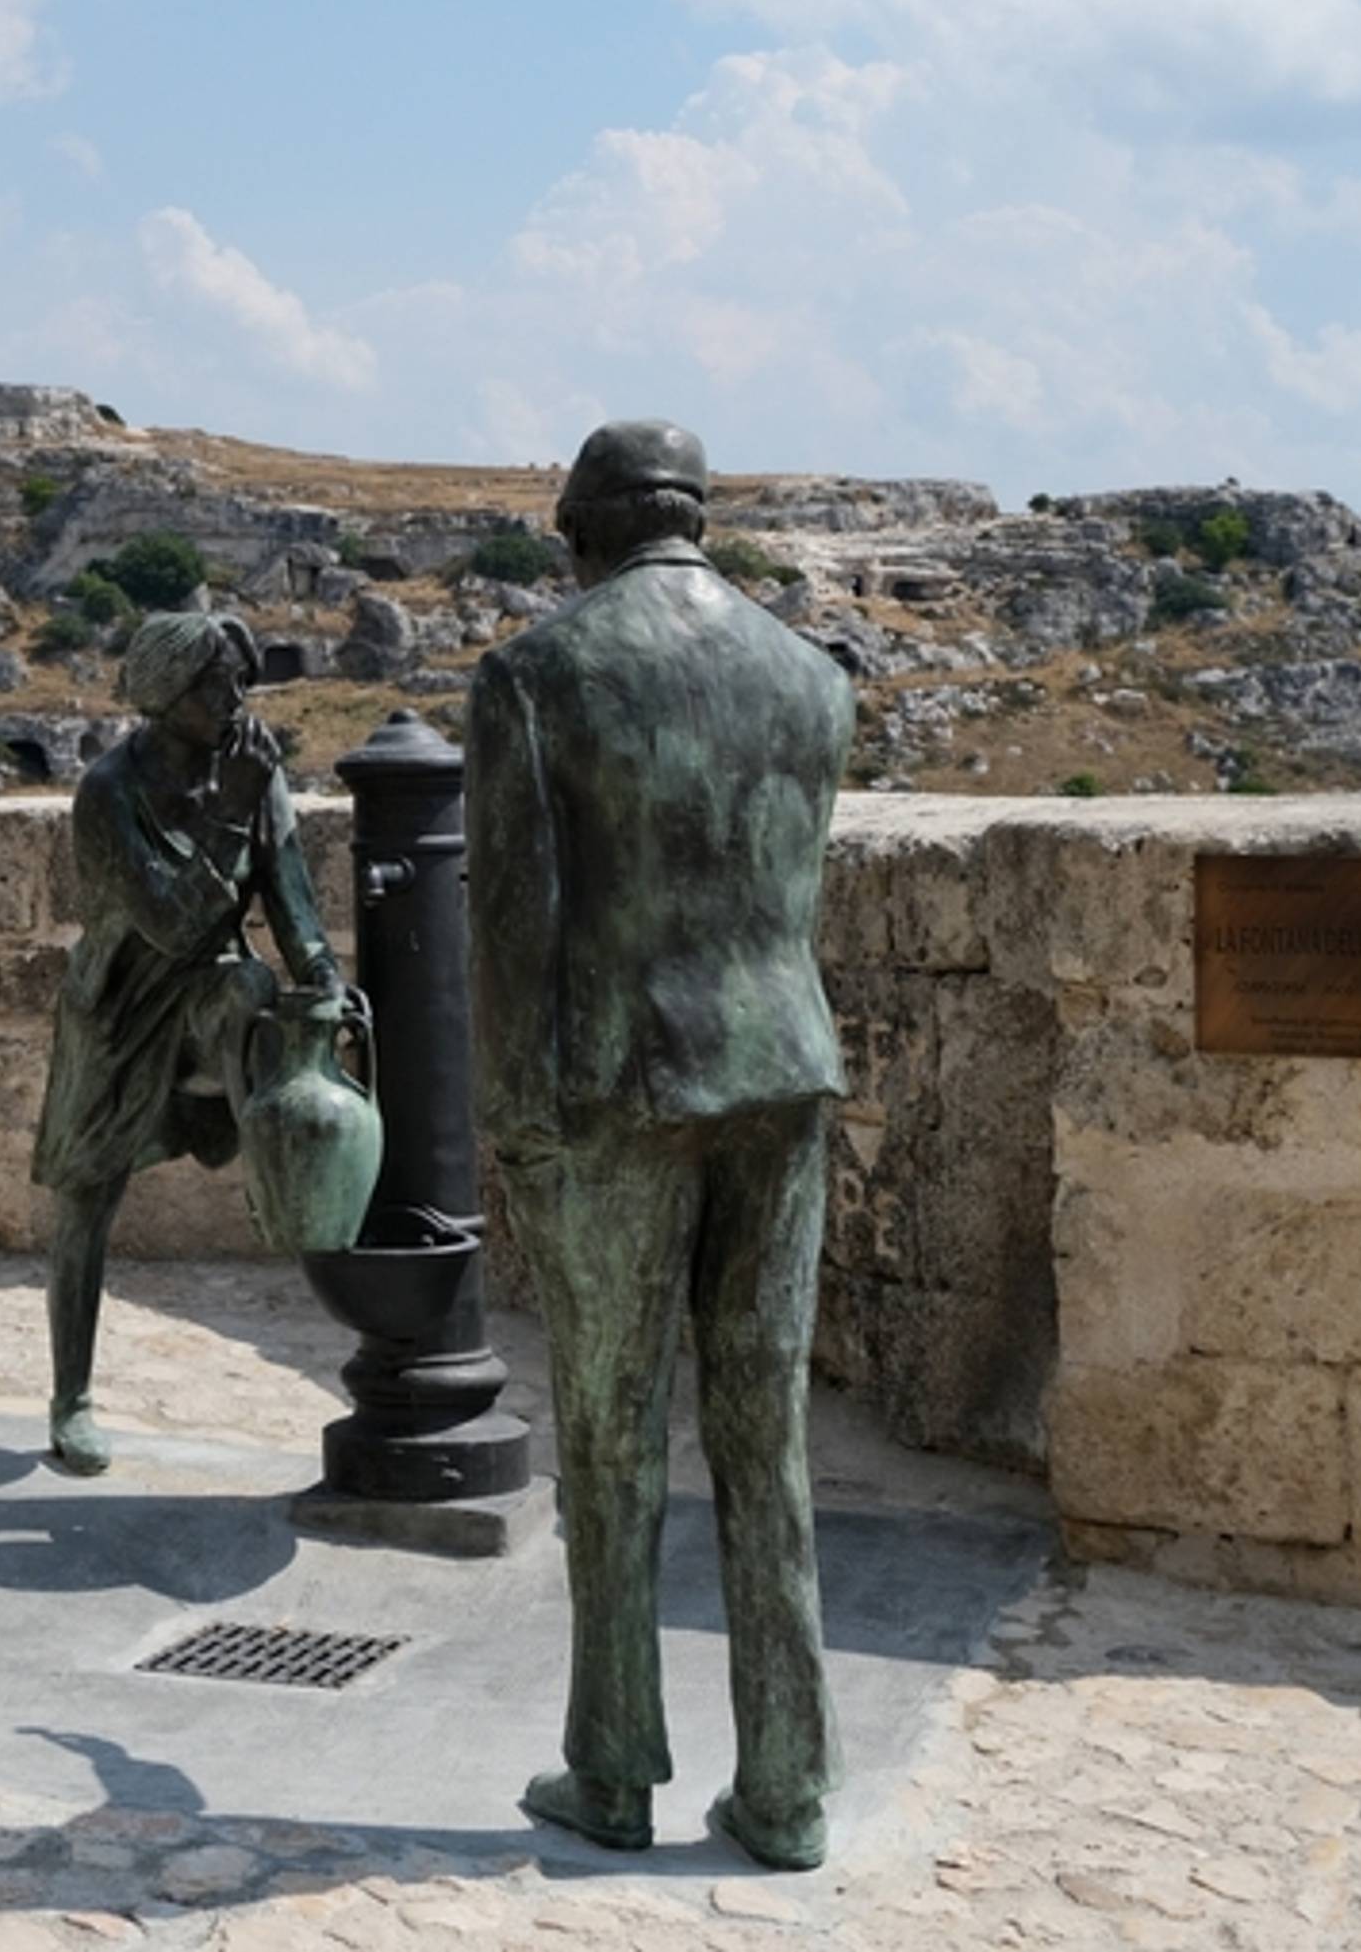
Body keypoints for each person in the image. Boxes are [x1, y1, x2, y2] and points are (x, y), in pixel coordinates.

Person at [465, 420, 857, 1871]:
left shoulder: (537, 677)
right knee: (771, 1445)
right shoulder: (809, 678)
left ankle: (614, 1762)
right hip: (783, 1070)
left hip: (623, 1091)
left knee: (614, 1441)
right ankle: (790, 1785)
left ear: (583, 527)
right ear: (696, 517)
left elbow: (515, 926)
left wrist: (517, 1126)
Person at [33, 609, 344, 1476]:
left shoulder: (251, 764)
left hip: (209, 983)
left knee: (251, 988)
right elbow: (168, 918)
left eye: (241, 679)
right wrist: (229, 811)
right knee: (85, 1197)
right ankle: (72, 1397)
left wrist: (319, 968)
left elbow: (287, 888)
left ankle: (268, 1173)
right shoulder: (109, 791)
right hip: (121, 1001)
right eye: (216, 683)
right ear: (167, 696)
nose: (237, 698)